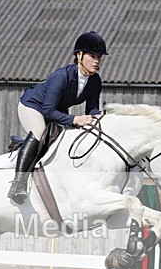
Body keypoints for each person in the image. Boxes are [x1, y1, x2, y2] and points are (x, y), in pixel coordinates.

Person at [7, 31, 107, 203]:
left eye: (99, 56)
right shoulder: (61, 76)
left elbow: (92, 109)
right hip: (33, 106)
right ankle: (18, 184)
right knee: (39, 132)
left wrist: (99, 118)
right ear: (79, 55)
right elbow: (47, 110)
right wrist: (76, 120)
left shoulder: (95, 81)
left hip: (57, 110)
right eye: (92, 55)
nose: (97, 60)